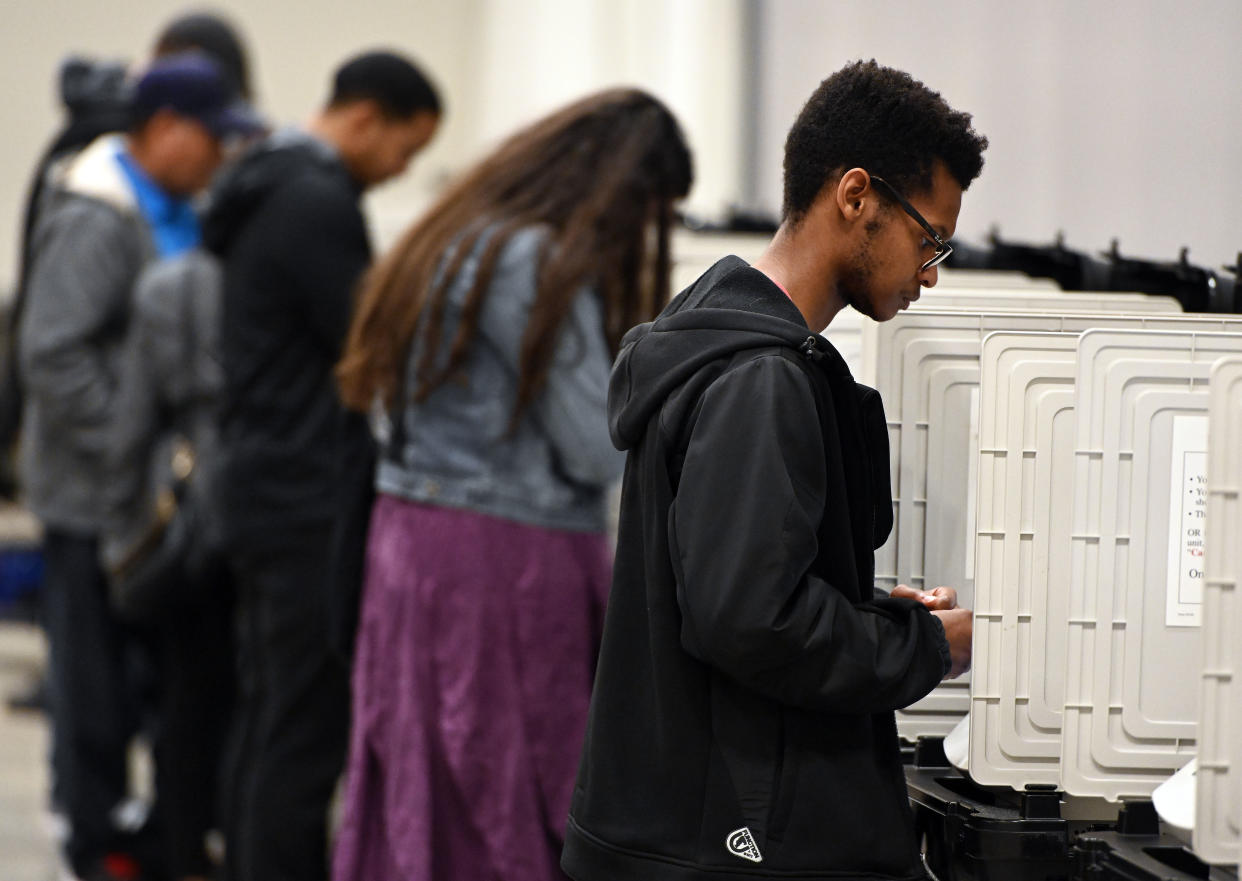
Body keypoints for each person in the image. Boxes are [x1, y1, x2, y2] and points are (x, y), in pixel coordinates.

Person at [561, 60, 985, 881]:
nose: (930, 272)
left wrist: (869, 609)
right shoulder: (762, 378)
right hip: (723, 842)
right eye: (928, 238)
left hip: (675, 826)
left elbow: (732, 587)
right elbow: (752, 622)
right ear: (856, 195)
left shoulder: (711, 334)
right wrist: (925, 645)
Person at [331, 88, 692, 881]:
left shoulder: (452, 234)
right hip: (503, 556)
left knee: (426, 773)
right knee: (512, 780)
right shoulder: (525, 259)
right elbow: (595, 446)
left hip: (411, 539)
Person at [16, 53, 262, 881]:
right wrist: (136, 448)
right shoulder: (99, 213)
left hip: (155, 501)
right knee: (96, 698)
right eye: (210, 138)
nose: (220, 156)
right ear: (163, 130)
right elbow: (54, 356)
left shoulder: (179, 207)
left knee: (167, 690)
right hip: (96, 500)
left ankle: (154, 839)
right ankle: (98, 850)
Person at [201, 50, 441, 881]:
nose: (399, 171)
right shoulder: (314, 198)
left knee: (269, 716)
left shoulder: (265, 181)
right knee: (302, 734)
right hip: (304, 497)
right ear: (366, 117)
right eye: (406, 151)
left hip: (261, 482)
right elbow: (369, 342)